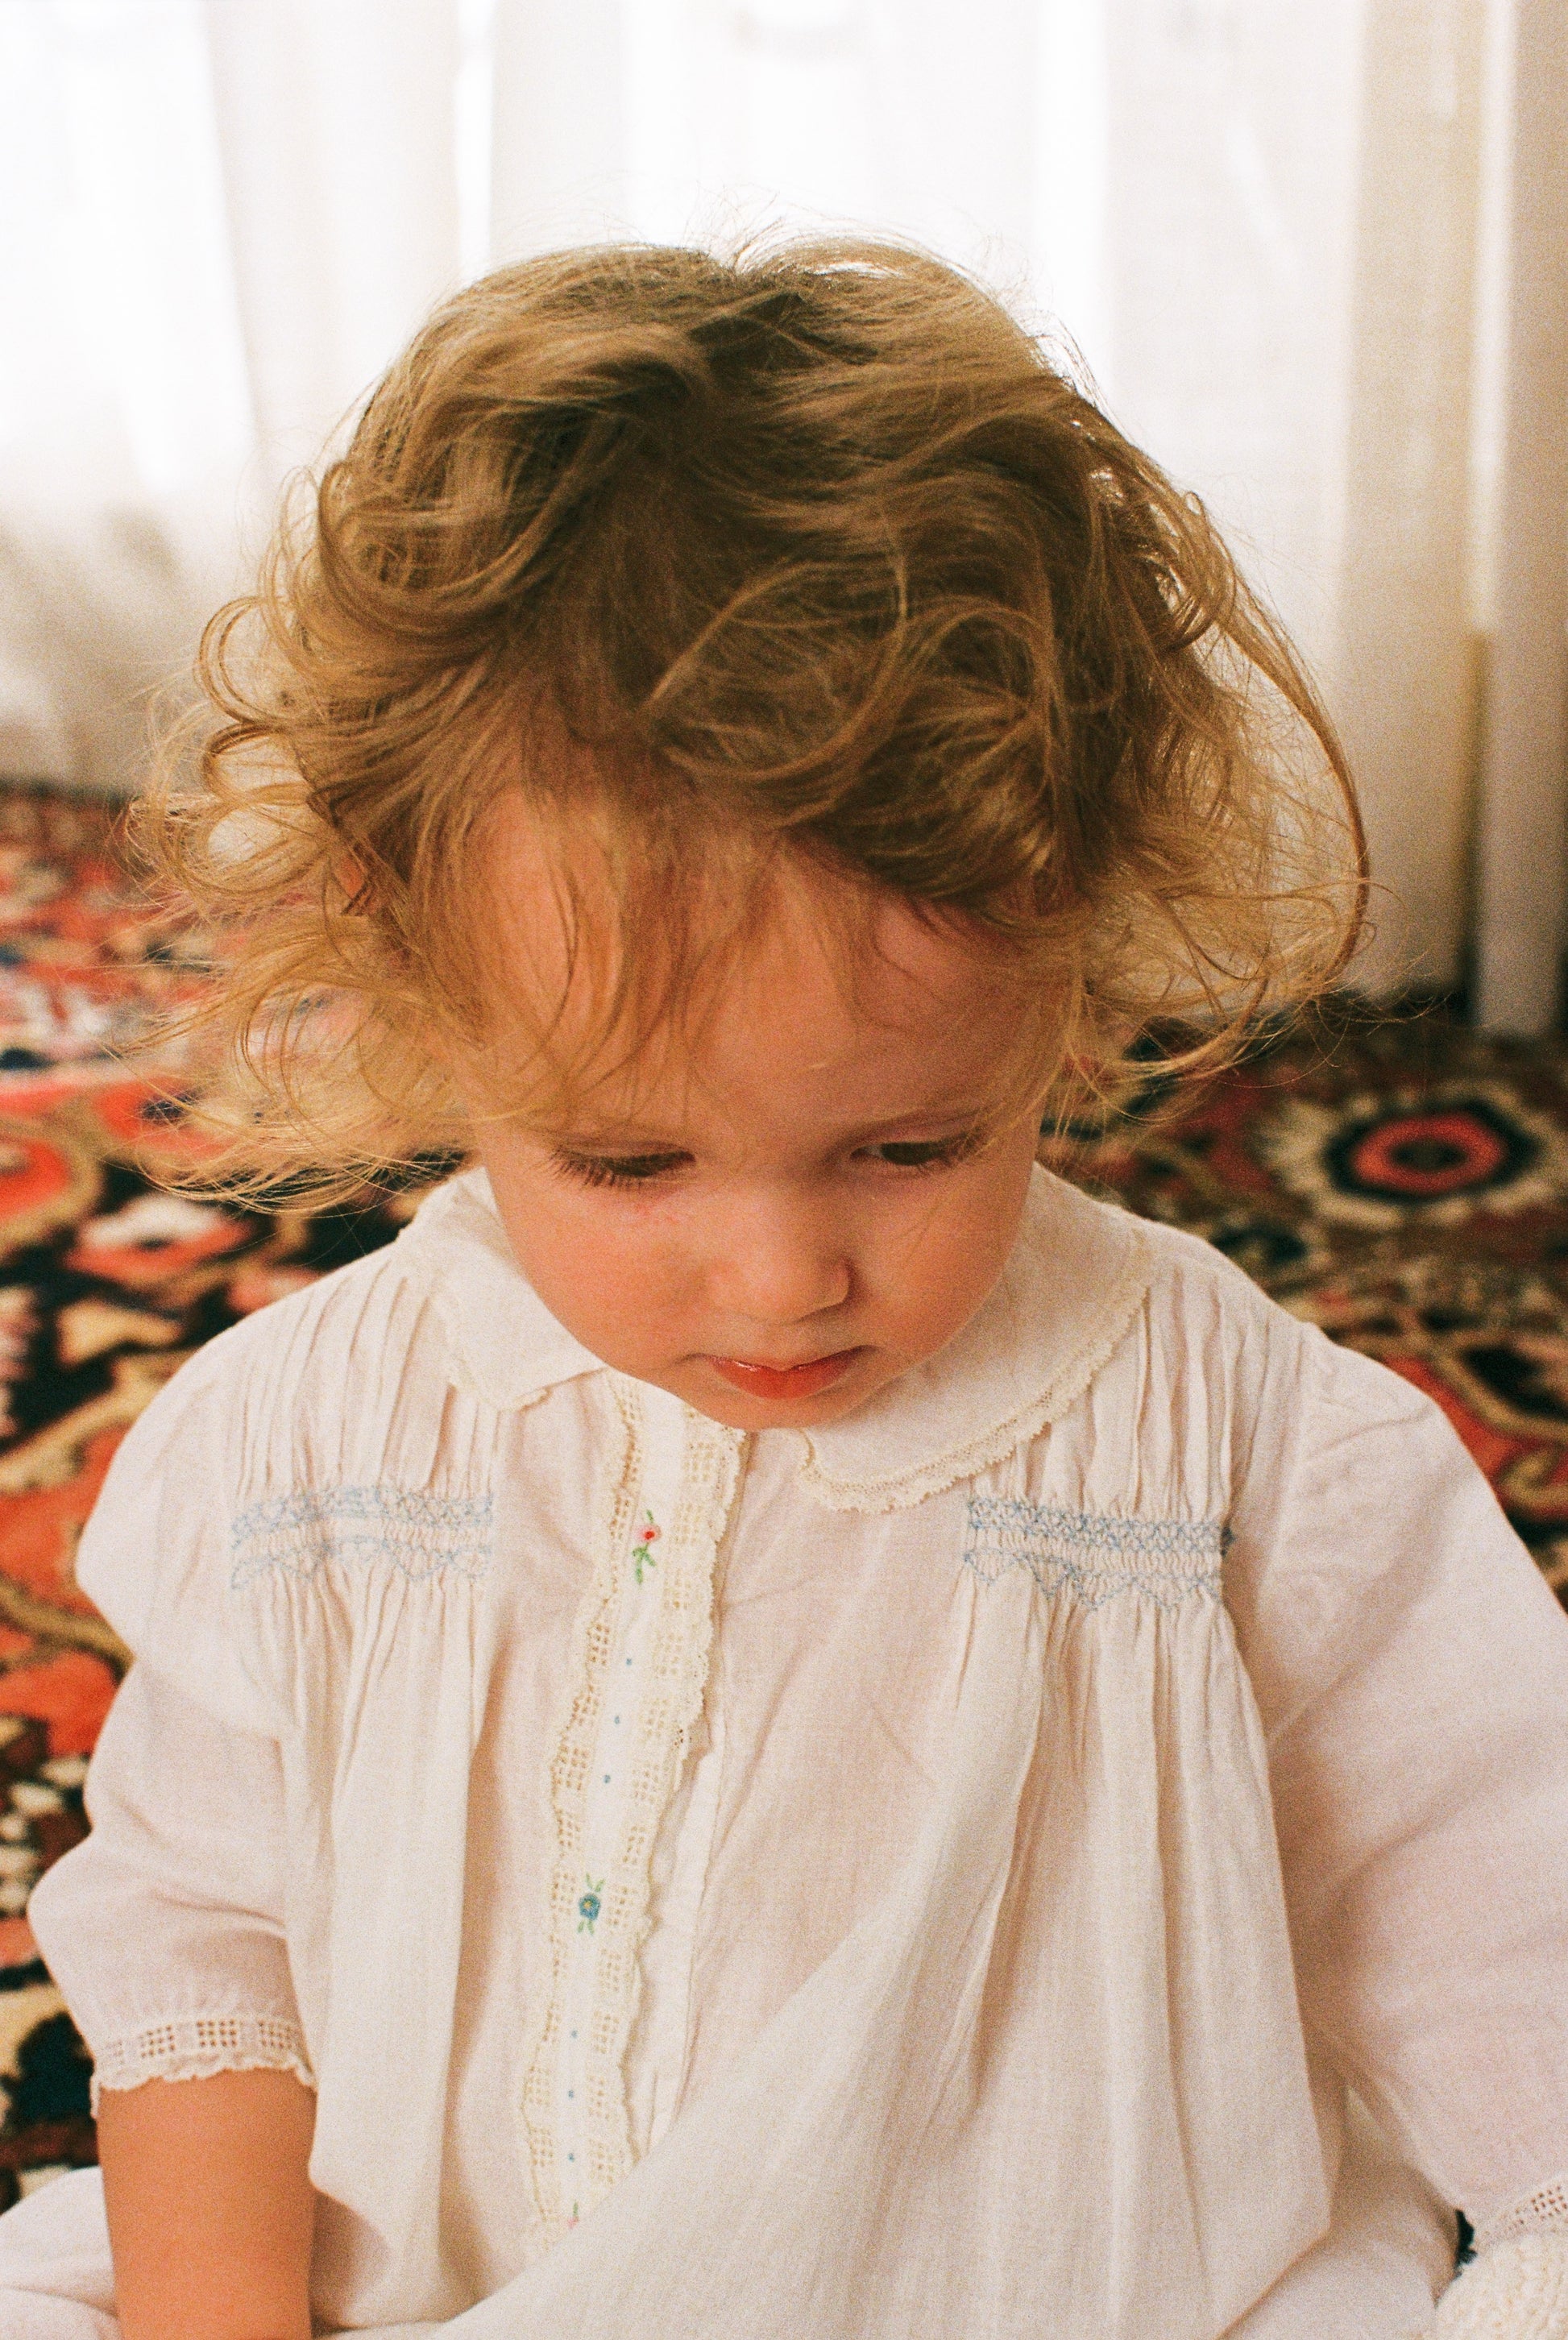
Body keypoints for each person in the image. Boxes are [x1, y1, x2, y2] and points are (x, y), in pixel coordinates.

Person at [0, 239, 1563, 2340]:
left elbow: (1530, 2003)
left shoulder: (1252, 1474)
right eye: (630, 1161)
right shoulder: (307, 1451)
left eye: (908, 1147)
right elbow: (203, 1948)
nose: (783, 1276)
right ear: (411, 973)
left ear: (1064, 966)